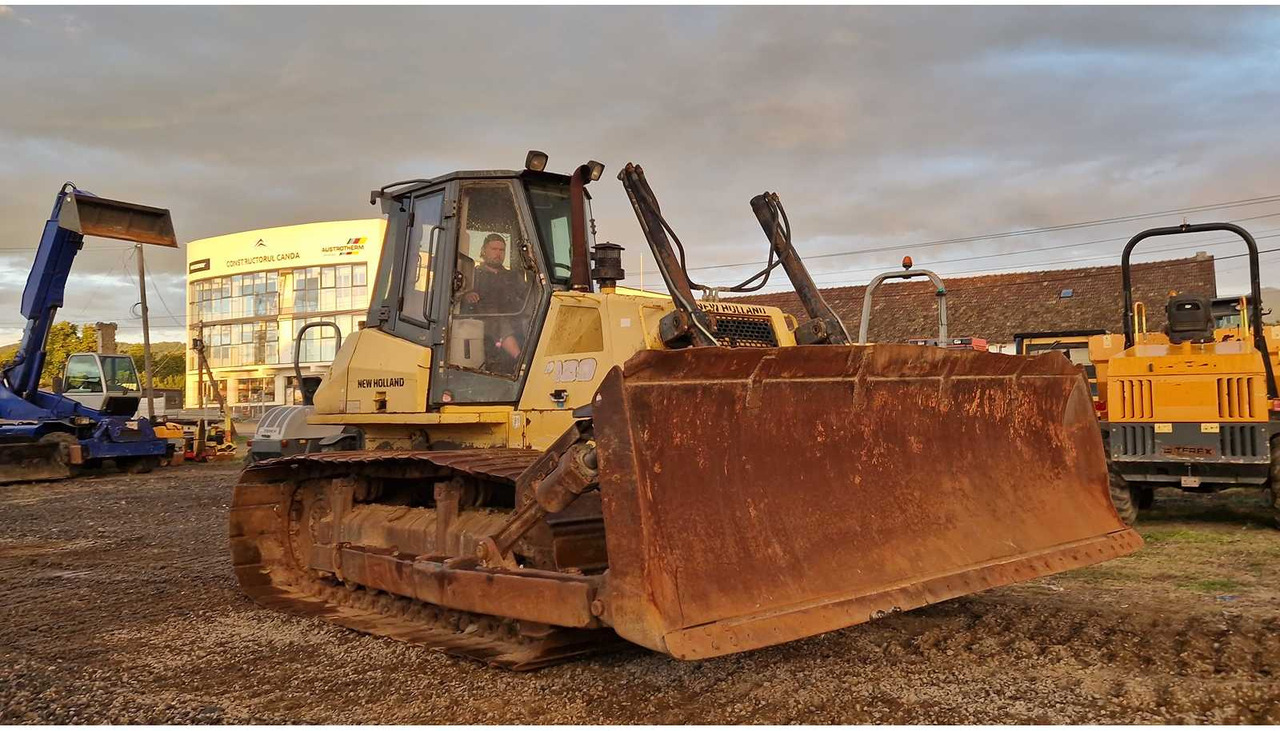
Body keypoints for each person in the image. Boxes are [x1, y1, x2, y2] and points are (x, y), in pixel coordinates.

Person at [461, 233, 528, 372]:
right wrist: (467, 295)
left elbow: (526, 299)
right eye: (494, 249)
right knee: (495, 316)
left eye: (502, 250)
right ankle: (520, 359)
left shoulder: (514, 276)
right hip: (485, 323)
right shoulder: (474, 275)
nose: (498, 253)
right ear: (484, 251)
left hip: (515, 320)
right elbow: (459, 295)